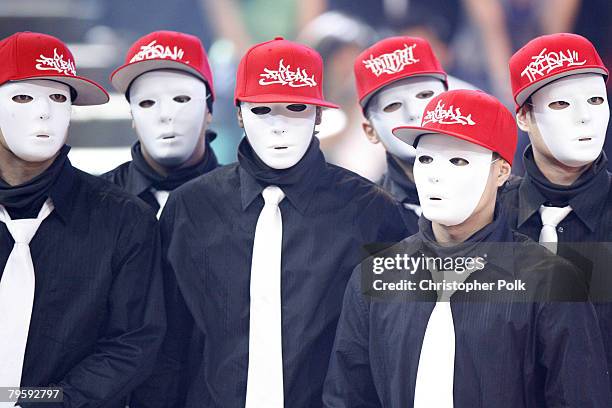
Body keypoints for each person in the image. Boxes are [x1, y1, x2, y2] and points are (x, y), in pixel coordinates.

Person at [133, 37, 408, 407]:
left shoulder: (372, 214)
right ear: (241, 114)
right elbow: (167, 341)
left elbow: (396, 346)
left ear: (319, 115)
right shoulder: (191, 208)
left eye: (296, 107)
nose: (279, 125)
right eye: (263, 109)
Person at [323, 89, 611, 407]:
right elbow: (347, 397)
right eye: (426, 158)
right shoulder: (374, 278)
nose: (436, 175)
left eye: (459, 160)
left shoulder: (551, 282)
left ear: (501, 171)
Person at [0, 32, 164, 407]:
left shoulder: (125, 221)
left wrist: (38, 401)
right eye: (23, 96)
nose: (44, 112)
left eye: (59, 98)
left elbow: (131, 344)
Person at [501, 32, 612, 392]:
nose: (585, 118)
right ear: (523, 117)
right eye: (561, 104)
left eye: (596, 99)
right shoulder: (488, 216)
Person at [101, 31, 219, 218]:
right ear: (132, 116)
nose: (165, 115)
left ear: (208, 110)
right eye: (147, 102)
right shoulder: (97, 201)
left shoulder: (248, 201)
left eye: (181, 99)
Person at [354, 36, 448, 232]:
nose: (413, 113)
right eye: (392, 105)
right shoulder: (362, 218)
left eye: (425, 95)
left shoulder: (503, 196)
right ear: (370, 131)